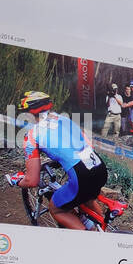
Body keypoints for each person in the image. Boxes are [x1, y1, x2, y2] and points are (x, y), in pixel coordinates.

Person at [6, 90, 107, 230]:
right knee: (87, 199)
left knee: (57, 209)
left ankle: (87, 242)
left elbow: (32, 180)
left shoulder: (31, 136)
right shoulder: (63, 118)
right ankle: (103, 229)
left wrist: (18, 181)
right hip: (99, 167)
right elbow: (87, 144)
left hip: (81, 176)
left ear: (29, 113)